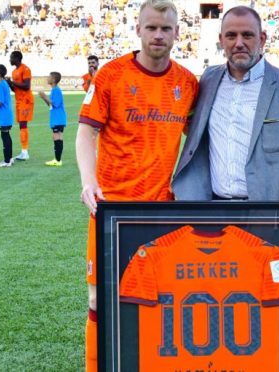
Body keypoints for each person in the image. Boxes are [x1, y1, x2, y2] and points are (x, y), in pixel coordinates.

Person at [75, 1, 198, 370]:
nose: (158, 35)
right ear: (138, 30)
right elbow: (85, 133)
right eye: (151, 28)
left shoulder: (188, 83)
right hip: (112, 208)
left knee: (162, 296)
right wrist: (88, 182)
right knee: (99, 299)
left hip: (163, 210)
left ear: (177, 33)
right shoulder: (111, 75)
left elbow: (199, 140)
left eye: (165, 28)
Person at [172, 6, 279, 207]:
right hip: (212, 208)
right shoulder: (208, 80)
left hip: (270, 209)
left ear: (262, 39)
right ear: (221, 40)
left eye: (247, 35)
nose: (239, 43)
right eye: (231, 35)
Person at [7, 51, 33, 161]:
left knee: (23, 125)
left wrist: (13, 82)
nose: (10, 60)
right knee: (21, 126)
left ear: (17, 58)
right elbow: (15, 89)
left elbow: (27, 86)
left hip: (26, 101)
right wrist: (10, 84)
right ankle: (23, 151)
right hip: (18, 100)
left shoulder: (25, 69)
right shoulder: (14, 71)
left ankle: (25, 152)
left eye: (11, 58)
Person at [37, 72, 66, 166]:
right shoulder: (54, 90)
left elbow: (55, 104)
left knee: (57, 137)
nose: (47, 78)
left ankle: (57, 160)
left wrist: (44, 96)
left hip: (58, 118)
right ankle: (57, 160)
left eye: (49, 77)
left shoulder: (56, 90)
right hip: (57, 118)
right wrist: (43, 98)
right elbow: (50, 104)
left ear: (53, 80)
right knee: (57, 137)